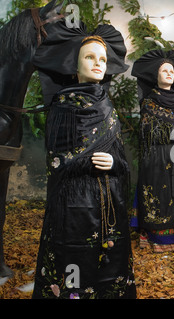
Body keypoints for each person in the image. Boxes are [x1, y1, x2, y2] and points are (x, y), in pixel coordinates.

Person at [31, 21, 136, 298]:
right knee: (73, 263)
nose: (98, 63)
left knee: (109, 265)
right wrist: (86, 162)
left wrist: (114, 164)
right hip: (73, 206)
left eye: (102, 59)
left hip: (109, 205)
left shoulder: (108, 108)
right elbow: (55, 161)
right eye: (90, 57)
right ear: (74, 66)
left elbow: (123, 162)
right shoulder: (62, 107)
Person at [131, 50, 174, 253]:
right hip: (158, 159)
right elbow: (148, 133)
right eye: (164, 70)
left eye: (171, 70)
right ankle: (157, 238)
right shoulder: (149, 102)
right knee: (160, 197)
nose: (169, 73)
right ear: (156, 76)